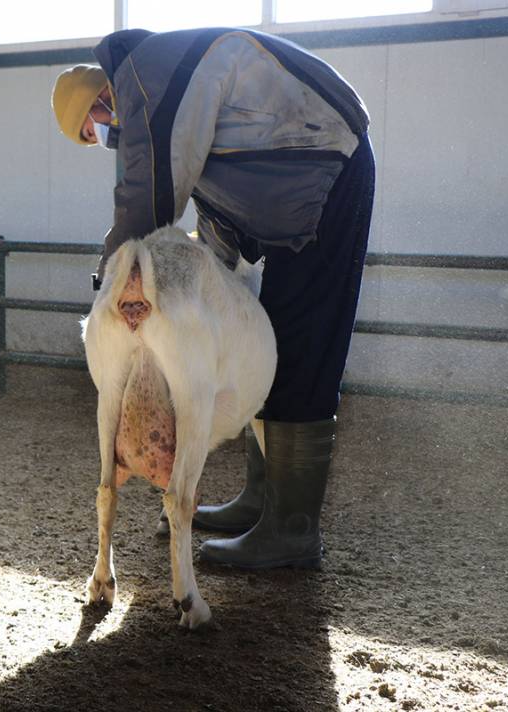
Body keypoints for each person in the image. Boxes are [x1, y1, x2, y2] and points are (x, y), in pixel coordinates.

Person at [51, 27, 375, 570]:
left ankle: (292, 530)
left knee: (302, 343)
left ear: (104, 98)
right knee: (263, 333)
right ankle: (260, 499)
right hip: (294, 178)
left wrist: (114, 278)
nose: (105, 141)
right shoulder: (160, 91)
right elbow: (213, 213)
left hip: (326, 167)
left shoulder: (150, 79)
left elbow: (150, 195)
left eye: (96, 129)